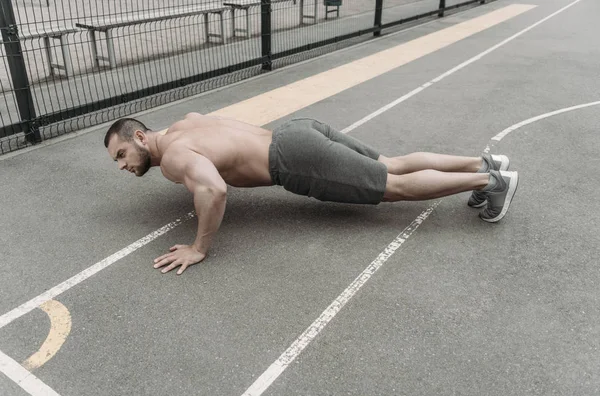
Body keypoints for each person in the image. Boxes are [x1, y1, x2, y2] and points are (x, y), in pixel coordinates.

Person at [104, 113, 518, 275]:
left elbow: (213, 189)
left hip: (293, 158)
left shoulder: (174, 156)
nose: (123, 165)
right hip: (296, 130)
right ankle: (485, 163)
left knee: (393, 188)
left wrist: (199, 246)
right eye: (118, 162)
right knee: (390, 164)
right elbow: (221, 146)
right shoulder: (184, 124)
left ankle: (489, 182)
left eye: (122, 153)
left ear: (140, 136)